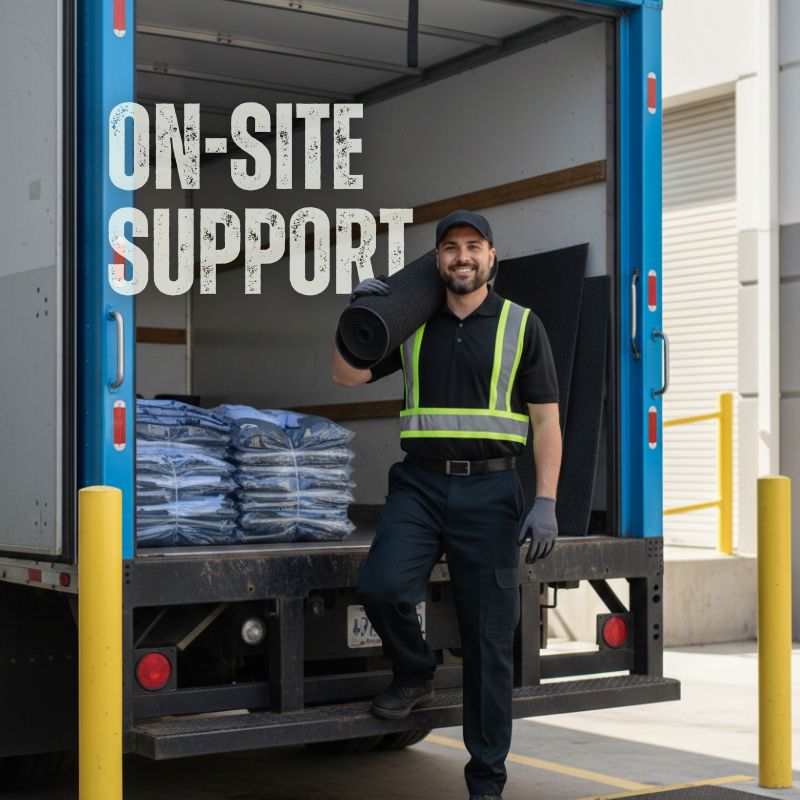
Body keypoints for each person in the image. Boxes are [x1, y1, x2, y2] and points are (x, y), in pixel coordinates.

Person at [332, 210, 561, 800]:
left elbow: (547, 423)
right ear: (437, 261)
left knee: (489, 641)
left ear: (491, 257)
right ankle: (414, 671)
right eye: (451, 248)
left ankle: (486, 783)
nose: (462, 256)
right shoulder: (412, 324)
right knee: (381, 586)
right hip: (419, 485)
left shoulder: (521, 325)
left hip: (491, 491)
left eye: (474, 246)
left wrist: (545, 501)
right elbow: (346, 377)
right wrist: (358, 316)